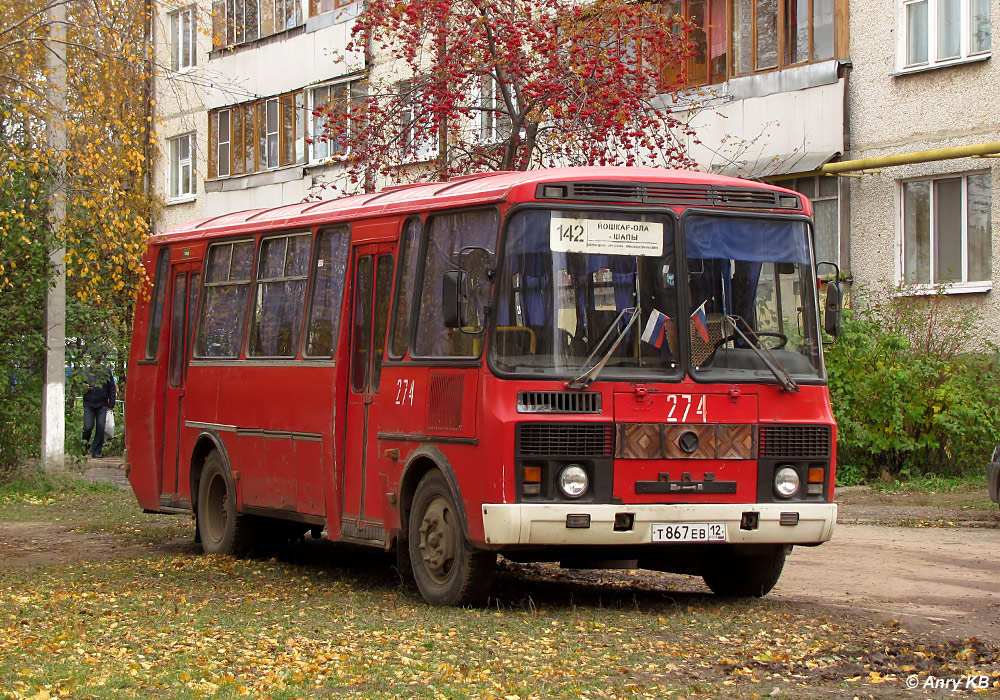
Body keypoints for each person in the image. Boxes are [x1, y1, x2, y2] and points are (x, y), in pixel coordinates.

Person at [82, 352, 116, 458]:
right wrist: (84, 387)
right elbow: (77, 385)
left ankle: (96, 451)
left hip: (102, 404)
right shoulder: (85, 371)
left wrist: (111, 403)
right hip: (88, 404)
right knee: (88, 427)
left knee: (101, 427)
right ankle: (84, 447)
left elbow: (111, 388)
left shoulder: (106, 371)